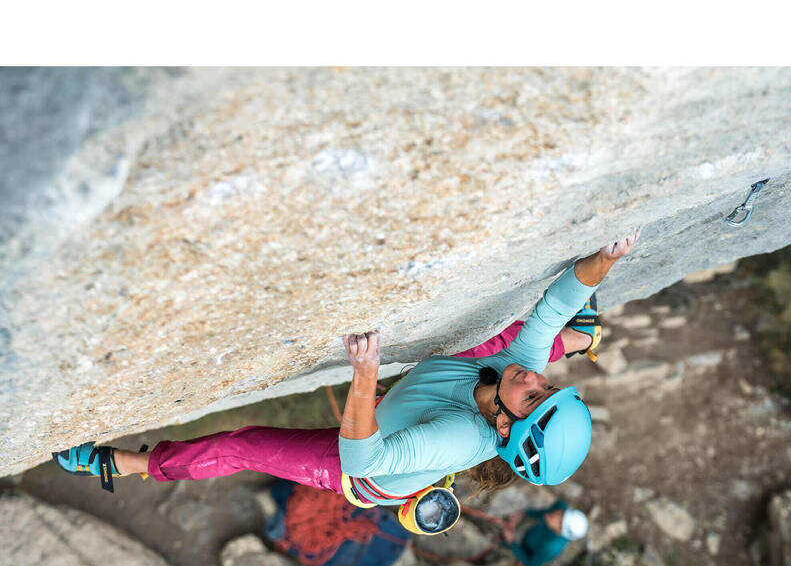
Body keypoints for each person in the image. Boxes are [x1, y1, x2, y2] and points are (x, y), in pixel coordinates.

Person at [53, 232, 639, 528]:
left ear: (506, 423)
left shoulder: (462, 437)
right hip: (414, 412)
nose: (536, 377)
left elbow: (360, 457)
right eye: (547, 384)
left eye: (535, 393)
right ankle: (586, 339)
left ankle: (122, 464)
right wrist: (610, 257)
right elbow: (550, 307)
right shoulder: (510, 384)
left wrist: (363, 377)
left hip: (368, 467)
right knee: (511, 340)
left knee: (243, 445)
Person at [491, 500, 589, 566]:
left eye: (560, 522)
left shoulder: (551, 547)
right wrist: (523, 514)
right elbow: (544, 513)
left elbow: (531, 564)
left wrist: (511, 542)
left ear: (559, 532)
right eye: (562, 513)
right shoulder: (560, 507)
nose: (556, 515)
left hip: (531, 561)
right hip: (529, 542)